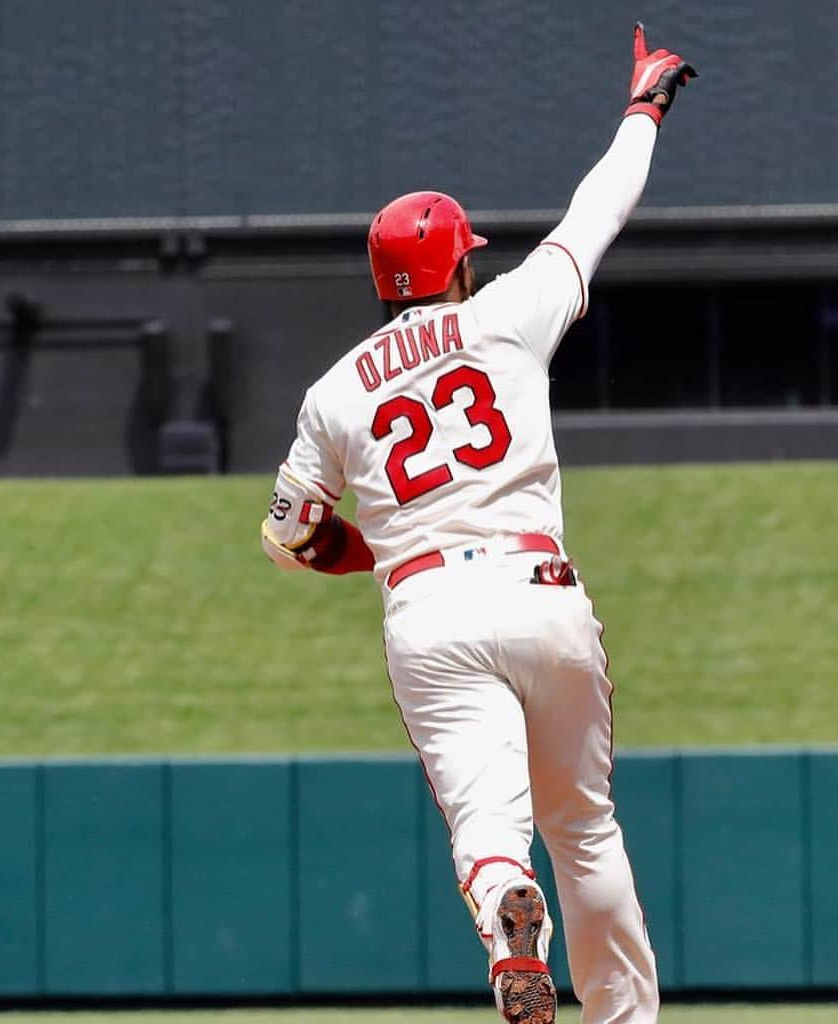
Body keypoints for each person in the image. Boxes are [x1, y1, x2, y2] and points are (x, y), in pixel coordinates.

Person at [261, 22, 696, 1024]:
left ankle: (505, 902)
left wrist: (373, 550)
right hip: (539, 590)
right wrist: (642, 107)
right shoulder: (505, 312)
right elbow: (599, 212)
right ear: (458, 266)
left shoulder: (333, 395)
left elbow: (289, 533)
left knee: (488, 821)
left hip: (429, 607)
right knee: (583, 826)